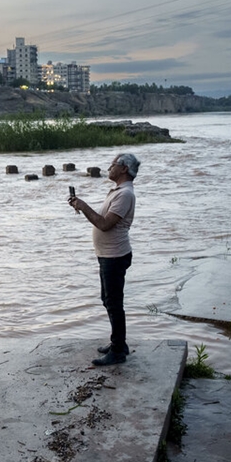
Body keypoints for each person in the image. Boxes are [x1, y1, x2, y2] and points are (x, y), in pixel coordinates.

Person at [68, 153, 140, 366]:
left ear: (124, 169)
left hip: (115, 256)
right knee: (108, 300)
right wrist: (82, 207)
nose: (109, 168)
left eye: (113, 164)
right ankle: (119, 343)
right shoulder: (118, 191)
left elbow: (105, 224)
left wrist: (83, 206)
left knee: (113, 303)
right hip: (108, 255)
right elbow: (102, 221)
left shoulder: (125, 194)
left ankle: (118, 351)